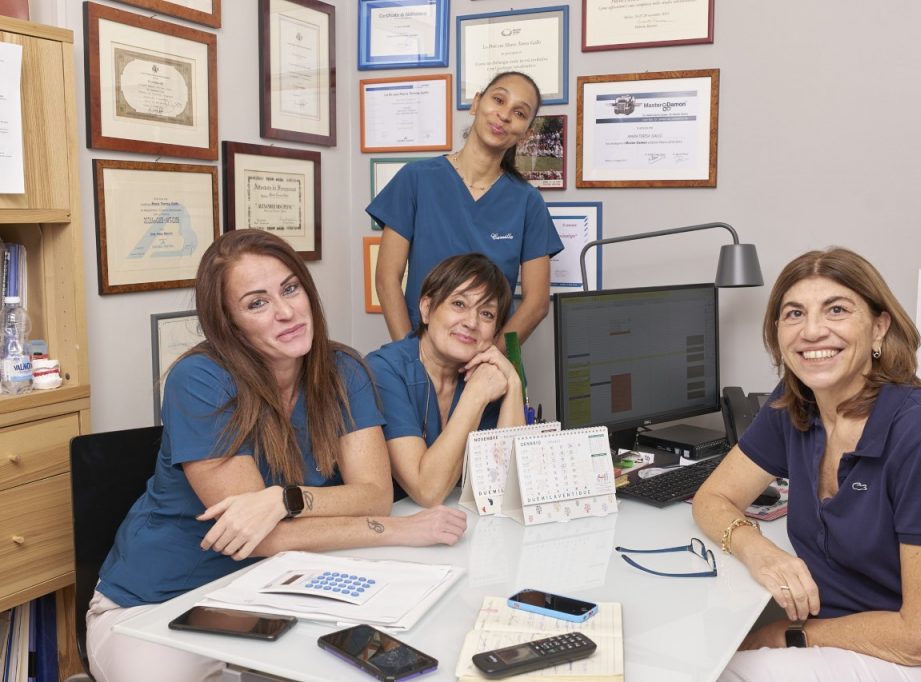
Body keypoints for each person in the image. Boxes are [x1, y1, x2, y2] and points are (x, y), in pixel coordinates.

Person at [86, 230, 467, 682]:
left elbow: (373, 493)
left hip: (272, 594)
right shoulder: (199, 379)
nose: (287, 312)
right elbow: (262, 538)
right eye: (256, 303)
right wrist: (398, 531)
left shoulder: (343, 370)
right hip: (161, 604)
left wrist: (284, 500)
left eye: (290, 288)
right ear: (229, 322)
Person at [693, 247, 921, 681]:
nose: (812, 331)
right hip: (849, 638)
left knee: (722, 672)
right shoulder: (795, 405)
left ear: (879, 327)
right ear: (777, 333)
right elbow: (713, 497)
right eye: (794, 314)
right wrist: (761, 552)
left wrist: (789, 635)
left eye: (837, 310)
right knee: (706, 656)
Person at [367, 70, 564, 347]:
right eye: (498, 100)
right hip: (421, 357)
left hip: (488, 361)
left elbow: (537, 304)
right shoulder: (416, 179)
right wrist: (409, 360)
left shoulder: (527, 202)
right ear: (476, 103)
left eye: (519, 113)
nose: (505, 115)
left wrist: (488, 361)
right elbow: (387, 279)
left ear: (526, 134)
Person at [367, 253, 524, 507]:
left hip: (458, 530)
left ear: (495, 331)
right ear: (427, 309)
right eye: (459, 304)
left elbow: (508, 487)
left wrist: (514, 384)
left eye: (486, 314)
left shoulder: (487, 374)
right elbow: (427, 491)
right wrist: (475, 395)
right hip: (393, 531)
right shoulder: (383, 371)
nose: (471, 323)